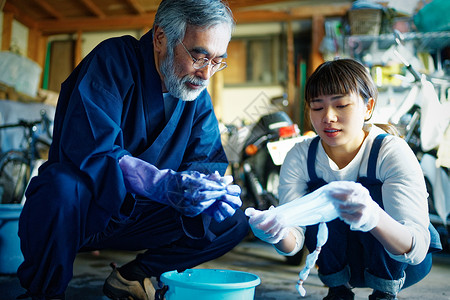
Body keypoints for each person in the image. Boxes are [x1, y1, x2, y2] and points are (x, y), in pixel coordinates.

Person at [17, 1, 249, 299]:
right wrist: (161, 184)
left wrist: (206, 191)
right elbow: (93, 149)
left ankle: (133, 276)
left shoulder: (195, 94)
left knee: (231, 221)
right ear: (160, 38)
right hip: (88, 212)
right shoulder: (113, 60)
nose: (206, 75)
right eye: (199, 56)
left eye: (217, 61)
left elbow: (206, 161)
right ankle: (44, 292)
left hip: (143, 218)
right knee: (60, 186)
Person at [247, 58, 441, 300]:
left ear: (368, 107)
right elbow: (294, 239)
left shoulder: (390, 152)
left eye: (341, 105)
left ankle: (385, 291)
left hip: (404, 263)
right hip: (343, 266)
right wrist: (275, 231)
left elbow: (417, 249)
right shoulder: (300, 156)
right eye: (317, 107)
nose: (328, 116)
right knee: (327, 195)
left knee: (358, 194)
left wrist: (374, 216)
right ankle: (337, 290)